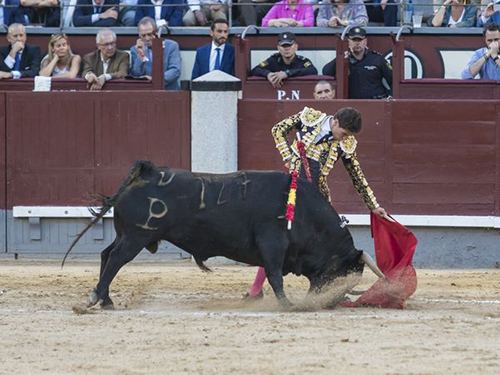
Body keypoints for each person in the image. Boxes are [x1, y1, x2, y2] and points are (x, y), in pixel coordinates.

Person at [245, 106, 390, 299]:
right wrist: (288, 157)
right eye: (343, 133)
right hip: (293, 191)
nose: (344, 138)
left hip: (316, 197)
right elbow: (277, 129)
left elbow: (356, 175)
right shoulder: (308, 118)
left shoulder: (346, 143)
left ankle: (328, 287)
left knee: (327, 244)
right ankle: (255, 290)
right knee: (278, 237)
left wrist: (373, 205)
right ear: (335, 121)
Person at [322, 27, 392, 99]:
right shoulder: (344, 59)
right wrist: (342, 56)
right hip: (351, 104)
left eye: (360, 40)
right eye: (354, 40)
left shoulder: (377, 59)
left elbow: (393, 79)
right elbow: (326, 72)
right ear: (349, 41)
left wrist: (389, 96)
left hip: (376, 102)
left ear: (365, 41)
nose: (357, 43)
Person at [250, 32, 317, 88]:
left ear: (296, 47)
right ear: (278, 48)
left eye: (289, 45)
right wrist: (268, 74)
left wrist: (287, 73)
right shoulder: (273, 60)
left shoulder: (302, 61)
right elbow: (255, 70)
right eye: (283, 46)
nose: (286, 49)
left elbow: (313, 70)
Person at [130, 17, 181, 89]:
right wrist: (140, 55)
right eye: (143, 35)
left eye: (150, 34)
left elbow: (175, 71)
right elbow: (135, 74)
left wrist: (154, 79)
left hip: (168, 90)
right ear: (139, 35)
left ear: (156, 32)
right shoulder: (135, 49)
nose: (147, 38)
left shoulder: (172, 46)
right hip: (146, 92)